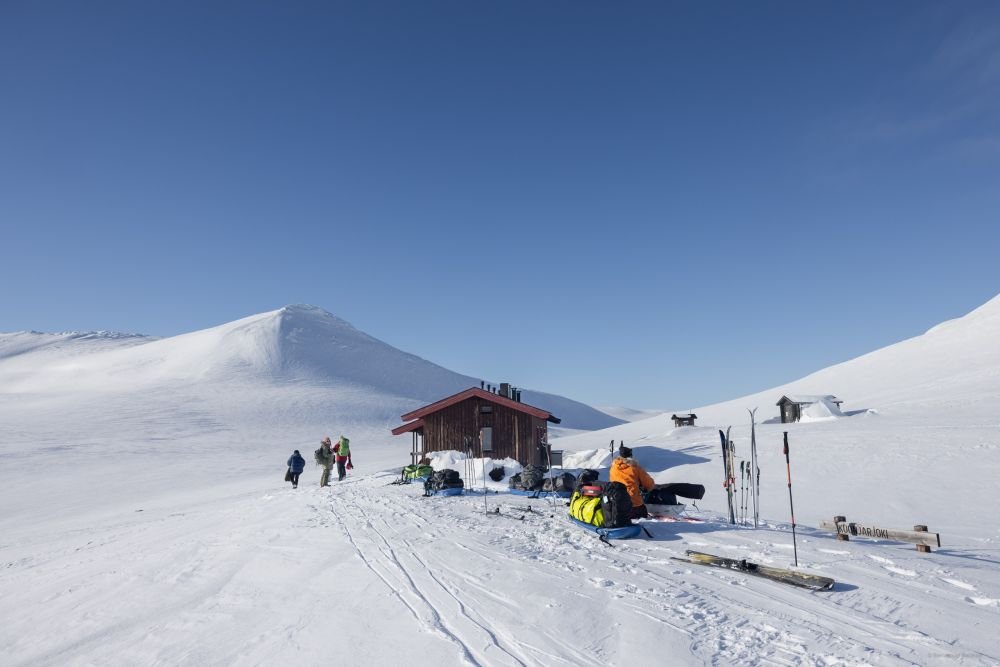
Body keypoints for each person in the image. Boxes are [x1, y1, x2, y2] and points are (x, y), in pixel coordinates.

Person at [609, 444, 656, 519]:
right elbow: (649, 484)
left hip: (617, 501)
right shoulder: (635, 468)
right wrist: (648, 487)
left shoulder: (613, 468)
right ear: (630, 456)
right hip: (633, 503)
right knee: (643, 513)